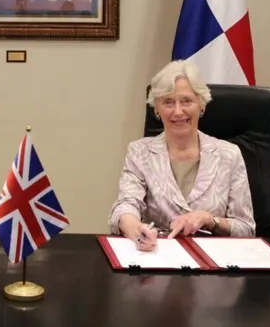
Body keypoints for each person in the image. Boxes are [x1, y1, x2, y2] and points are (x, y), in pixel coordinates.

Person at [108, 60, 255, 250]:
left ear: (201, 104)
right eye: (168, 102)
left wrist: (210, 220)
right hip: (158, 257)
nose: (178, 111)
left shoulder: (229, 154)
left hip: (214, 263)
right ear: (156, 109)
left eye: (186, 101)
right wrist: (135, 229)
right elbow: (125, 206)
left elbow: (246, 229)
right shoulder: (139, 152)